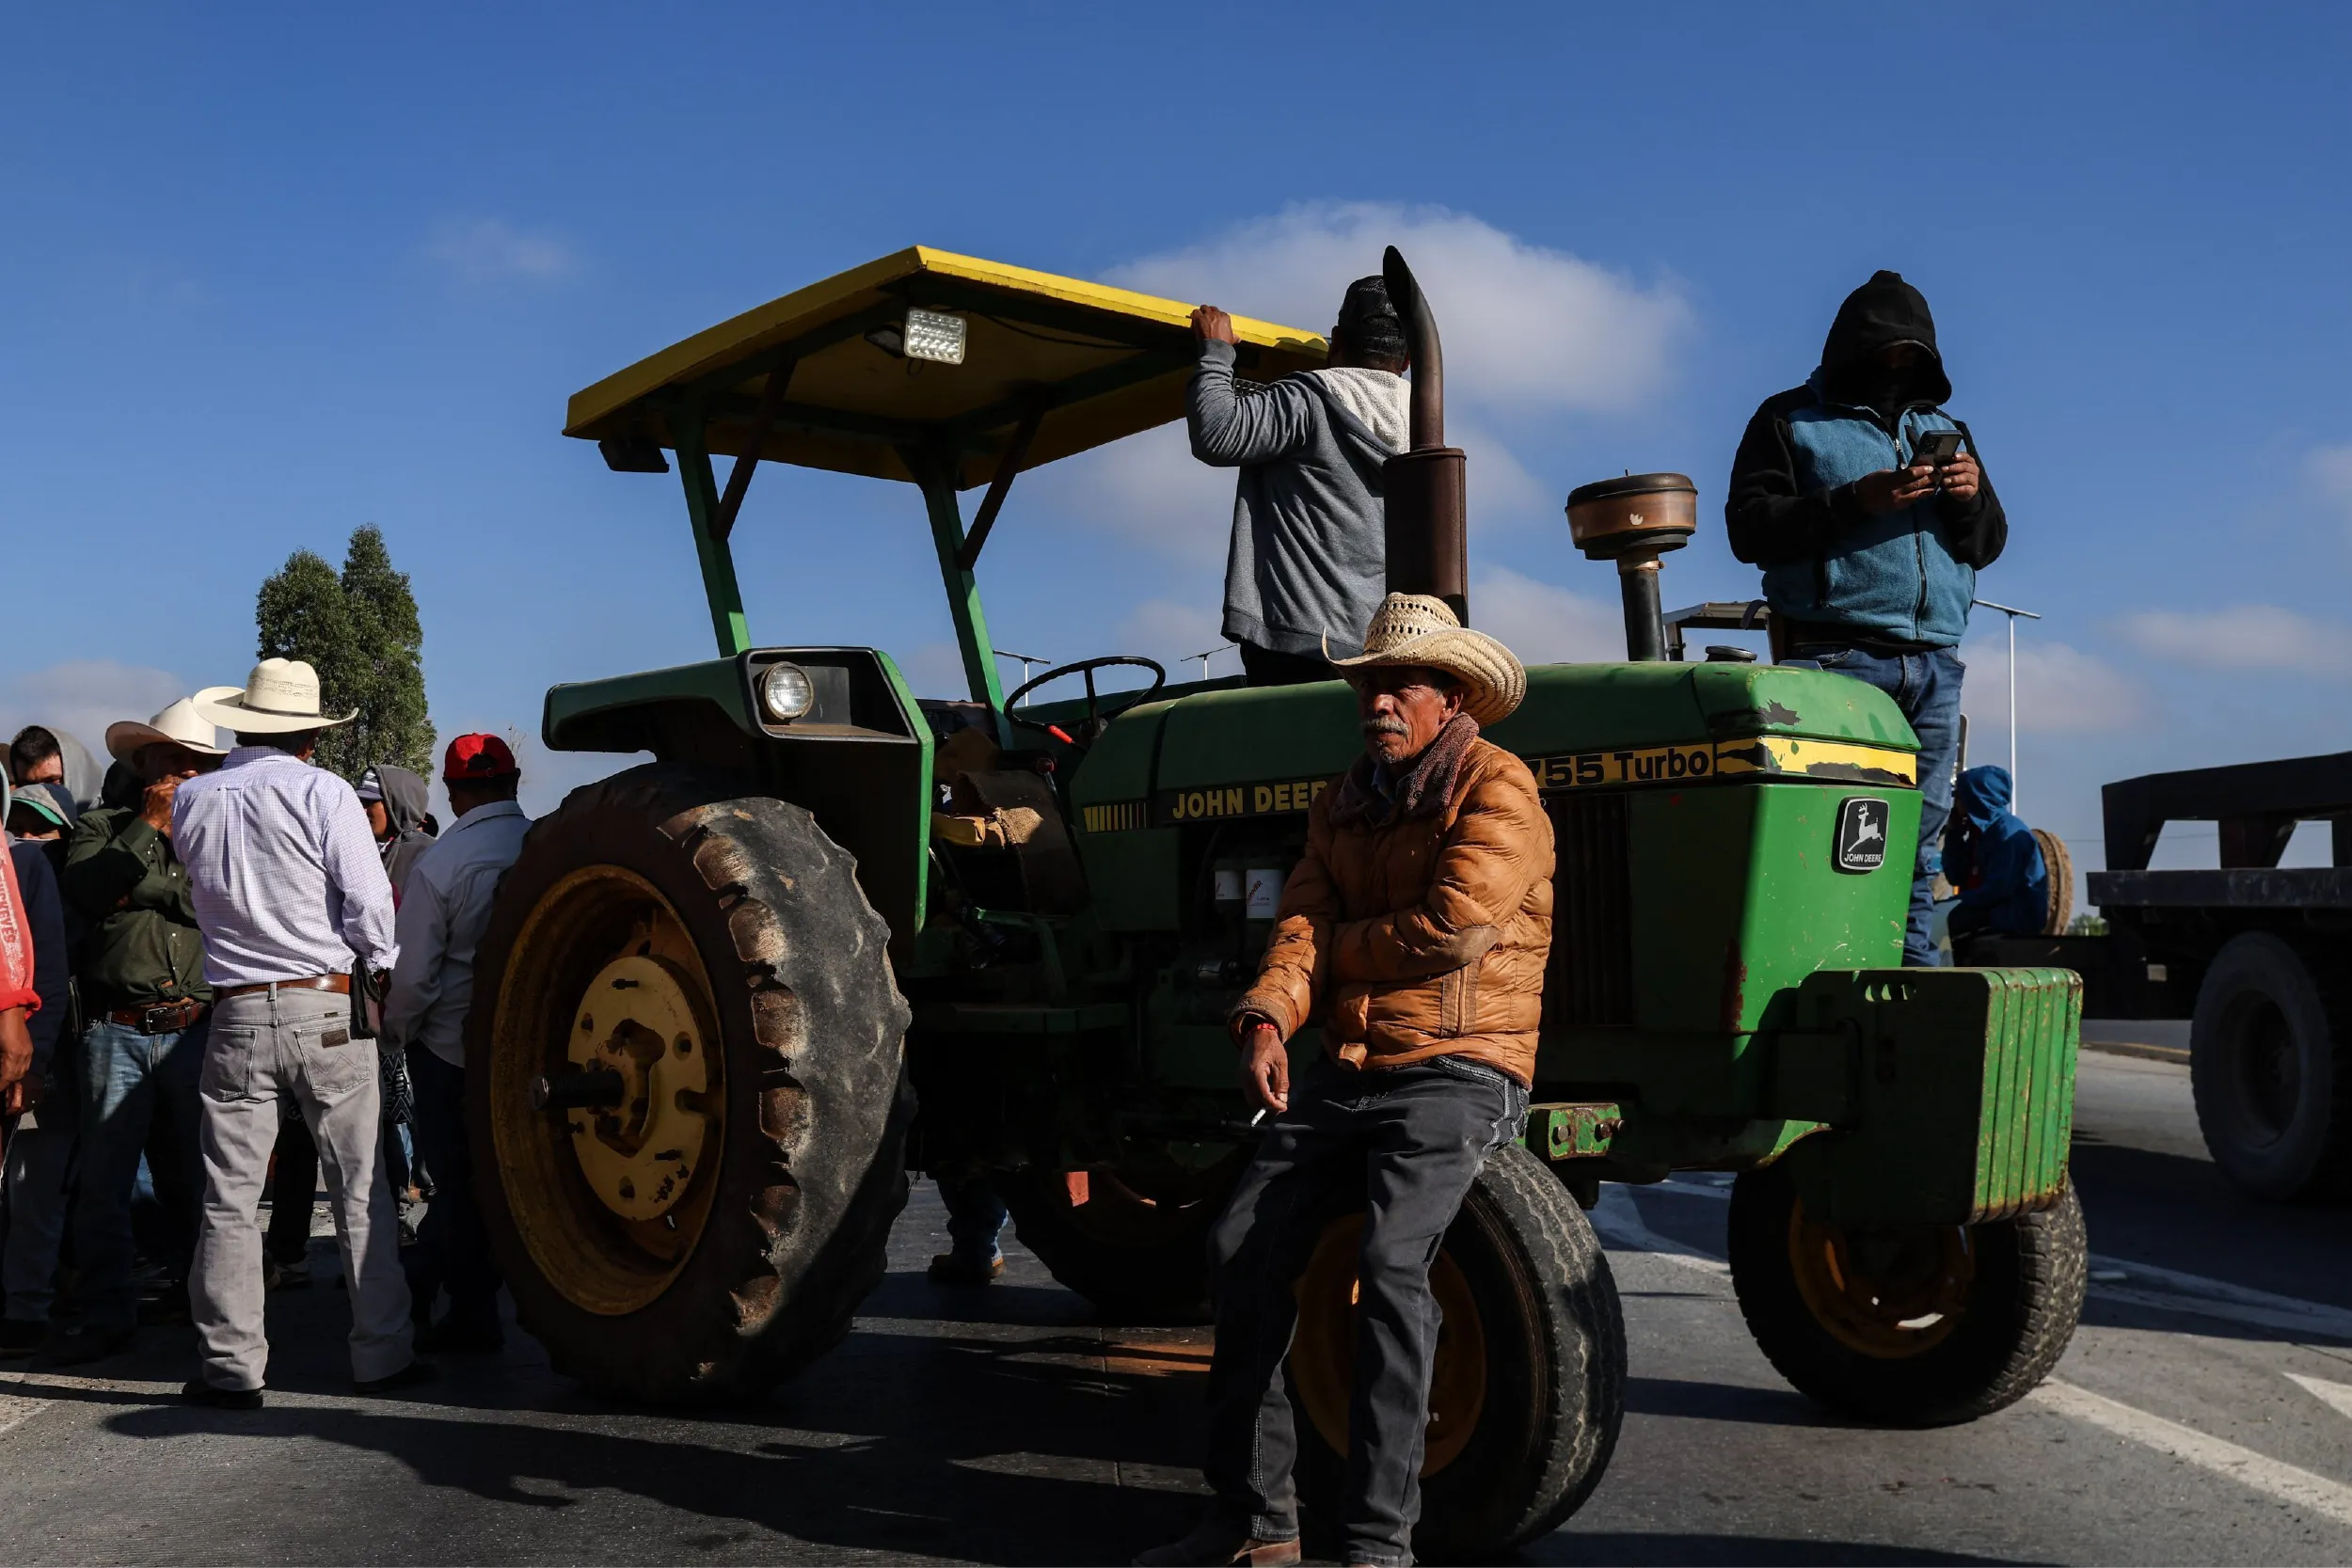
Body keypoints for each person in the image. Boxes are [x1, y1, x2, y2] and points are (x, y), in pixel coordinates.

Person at [1139, 594, 1552, 1568]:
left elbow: (1454, 930)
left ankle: (1376, 1545)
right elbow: (1299, 924)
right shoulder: (1342, 799)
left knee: (1392, 1264)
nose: (1377, 698)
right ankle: (1255, 1520)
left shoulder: (1499, 788)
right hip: (1352, 1063)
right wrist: (1271, 1013)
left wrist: (1335, 957)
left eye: (1400, 682)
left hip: (1459, 1062)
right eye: (1368, 681)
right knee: (1241, 1240)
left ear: (1451, 694)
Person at [1725, 270, 2007, 967]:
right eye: (1887, 351)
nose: (1897, 366)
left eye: (1912, 356)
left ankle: (1909, 1005)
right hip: (1834, 660)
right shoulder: (1786, 419)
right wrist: (1859, 499)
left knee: (1919, 846)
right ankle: (1812, 986)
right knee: (1826, 838)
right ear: (1854, 347)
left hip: (1936, 665)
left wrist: (1968, 497)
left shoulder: (1948, 431)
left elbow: (1987, 544)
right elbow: (1749, 529)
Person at [173, 658, 418, 1407]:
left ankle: (232, 1364)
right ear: (310, 733)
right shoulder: (324, 791)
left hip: (238, 1008)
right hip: (326, 1005)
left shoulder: (193, 798)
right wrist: (377, 968)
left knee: (229, 1196)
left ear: (243, 720)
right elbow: (371, 909)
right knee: (359, 1186)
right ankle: (380, 1353)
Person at [43, 701, 226, 1364]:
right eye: (170, 760)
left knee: (197, 1179)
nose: (182, 773)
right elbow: (90, 890)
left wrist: (146, 887)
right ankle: (108, 1313)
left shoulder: (219, 836)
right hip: (116, 1030)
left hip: (194, 1027)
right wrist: (146, 829)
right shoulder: (98, 825)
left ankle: (206, 1304)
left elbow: (216, 902)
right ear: (142, 764)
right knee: (107, 1184)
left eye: (195, 763)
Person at [382, 734, 530, 1354]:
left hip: (452, 1050)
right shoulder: (545, 844)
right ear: (515, 781)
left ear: (452, 791)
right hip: (537, 1045)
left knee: (460, 1185)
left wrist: (396, 1032)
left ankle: (469, 1313)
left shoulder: (440, 865)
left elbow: (414, 976)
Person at [1189, 277, 1411, 688]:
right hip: (1384, 647)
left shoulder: (1306, 400)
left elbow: (1217, 434)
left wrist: (1215, 354)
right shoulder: (1425, 429)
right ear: (1408, 360)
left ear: (1337, 341)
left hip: (1297, 644)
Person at [0, 781, 72, 1354]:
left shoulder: (26, 870)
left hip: (23, 1057)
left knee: (31, 1189)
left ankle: (26, 1306)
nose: (27, 836)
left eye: (39, 827)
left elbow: (45, 969)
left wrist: (36, 1063)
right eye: (18, 822)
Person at [1945, 766, 2052, 941]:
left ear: (1976, 798)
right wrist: (1953, 834)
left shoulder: (2007, 834)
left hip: (2011, 918)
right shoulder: (1979, 832)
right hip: (1988, 910)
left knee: (1941, 922)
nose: (1955, 803)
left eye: (1958, 796)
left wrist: (1952, 904)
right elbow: (1956, 877)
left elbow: (1996, 890)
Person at [356, 765, 434, 897]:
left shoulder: (426, 854)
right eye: (361, 802)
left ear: (395, 804)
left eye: (370, 803)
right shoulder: (360, 847)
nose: (363, 811)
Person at [8, 726, 103, 811]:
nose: (38, 794)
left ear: (77, 776)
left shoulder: (111, 823)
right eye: (28, 785)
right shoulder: (10, 826)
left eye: (51, 782)